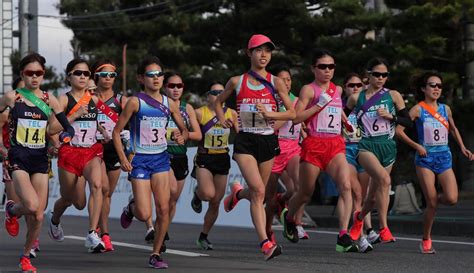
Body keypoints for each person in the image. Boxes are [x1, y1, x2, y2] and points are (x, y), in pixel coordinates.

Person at [215, 34, 296, 261]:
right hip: (246, 141)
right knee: (260, 191)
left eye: (267, 51)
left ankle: (238, 194)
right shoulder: (236, 82)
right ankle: (265, 243)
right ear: (248, 53)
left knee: (258, 193)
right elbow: (217, 102)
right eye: (259, 50)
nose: (263, 55)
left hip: (268, 140)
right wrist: (222, 119)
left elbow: (292, 113)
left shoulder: (276, 82)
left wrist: (269, 114)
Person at [2, 53, 75, 272]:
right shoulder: (11, 97)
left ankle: (25, 257)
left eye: (39, 73)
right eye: (29, 73)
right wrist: (2, 147)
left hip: (40, 158)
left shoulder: (49, 99)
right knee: (32, 205)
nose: (34, 77)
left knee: (39, 214)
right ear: (22, 74)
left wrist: (64, 136)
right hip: (19, 158)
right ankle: (13, 210)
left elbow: (67, 126)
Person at [280, 49, 357, 253]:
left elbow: (336, 109)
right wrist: (318, 106)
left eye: (331, 66)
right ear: (313, 68)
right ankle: (289, 218)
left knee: (346, 185)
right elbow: (296, 118)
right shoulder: (308, 90)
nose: (327, 70)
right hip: (313, 144)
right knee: (305, 193)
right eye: (322, 66)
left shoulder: (337, 90)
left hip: (335, 144)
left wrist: (347, 123)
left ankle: (343, 235)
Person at [116, 56, 189, 269]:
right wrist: (122, 158)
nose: (156, 79)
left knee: (164, 209)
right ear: (141, 78)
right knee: (145, 213)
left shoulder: (169, 103)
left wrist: (181, 135)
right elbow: (116, 132)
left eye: (159, 75)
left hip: (160, 160)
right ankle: (131, 208)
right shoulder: (135, 102)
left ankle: (155, 254)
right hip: (139, 161)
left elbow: (183, 128)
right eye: (151, 75)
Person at [396, 71, 473, 254]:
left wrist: (462, 147)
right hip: (425, 159)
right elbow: (399, 131)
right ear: (424, 88)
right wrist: (417, 146)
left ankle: (434, 200)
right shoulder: (417, 109)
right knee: (431, 203)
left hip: (444, 157)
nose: (437, 89)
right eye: (432, 85)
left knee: (452, 198)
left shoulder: (446, 109)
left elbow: (453, 129)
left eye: (439, 86)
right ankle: (426, 239)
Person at [345, 57, 412, 243]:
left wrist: (392, 117)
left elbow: (409, 122)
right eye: (377, 74)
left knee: (372, 198)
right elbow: (341, 117)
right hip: (366, 145)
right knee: (385, 180)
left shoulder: (394, 95)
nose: (381, 78)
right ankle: (384, 227)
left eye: (384, 75)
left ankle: (359, 219)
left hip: (388, 147)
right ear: (368, 75)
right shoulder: (356, 97)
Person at [47, 58, 109, 253]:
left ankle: (92, 233)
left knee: (98, 185)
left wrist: (104, 131)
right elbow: (51, 128)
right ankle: (54, 218)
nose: (82, 77)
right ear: (69, 76)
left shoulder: (95, 100)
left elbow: (102, 120)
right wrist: (73, 116)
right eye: (78, 73)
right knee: (74, 201)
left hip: (90, 151)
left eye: (86, 74)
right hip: (69, 153)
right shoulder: (63, 99)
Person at [190, 82, 238, 250]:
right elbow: (190, 131)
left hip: (222, 158)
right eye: (214, 92)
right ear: (208, 95)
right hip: (205, 156)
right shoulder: (199, 113)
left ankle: (203, 236)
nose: (218, 95)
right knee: (208, 194)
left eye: (221, 92)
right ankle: (197, 194)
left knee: (216, 202)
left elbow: (241, 133)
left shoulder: (231, 113)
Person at [263, 66, 307, 243]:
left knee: (299, 186)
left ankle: (289, 213)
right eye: (282, 79)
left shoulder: (298, 101)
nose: (286, 83)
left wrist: (305, 133)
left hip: (293, 148)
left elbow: (302, 121)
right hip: (273, 148)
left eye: (288, 79)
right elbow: (270, 127)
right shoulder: (269, 102)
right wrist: (285, 117)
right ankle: (267, 231)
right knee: (269, 198)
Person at [90, 59, 128, 252]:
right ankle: (103, 233)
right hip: (93, 148)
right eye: (104, 74)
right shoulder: (88, 97)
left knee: (107, 194)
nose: (108, 78)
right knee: (101, 188)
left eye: (112, 75)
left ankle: (97, 229)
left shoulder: (121, 100)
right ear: (96, 76)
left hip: (114, 149)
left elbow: (131, 124)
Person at [163, 72, 201, 244]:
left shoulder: (187, 108)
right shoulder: (159, 106)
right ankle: (160, 231)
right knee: (169, 192)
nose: (176, 89)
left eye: (179, 86)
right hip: (162, 155)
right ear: (165, 88)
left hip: (181, 156)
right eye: (172, 86)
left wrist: (185, 136)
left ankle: (163, 228)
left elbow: (198, 134)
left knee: (173, 200)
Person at [341, 73, 378, 252]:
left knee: (363, 196)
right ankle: (362, 236)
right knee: (355, 193)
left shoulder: (367, 105)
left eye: (358, 85)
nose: (355, 88)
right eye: (351, 85)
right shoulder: (339, 106)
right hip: (346, 151)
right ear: (345, 88)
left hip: (364, 151)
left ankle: (358, 229)